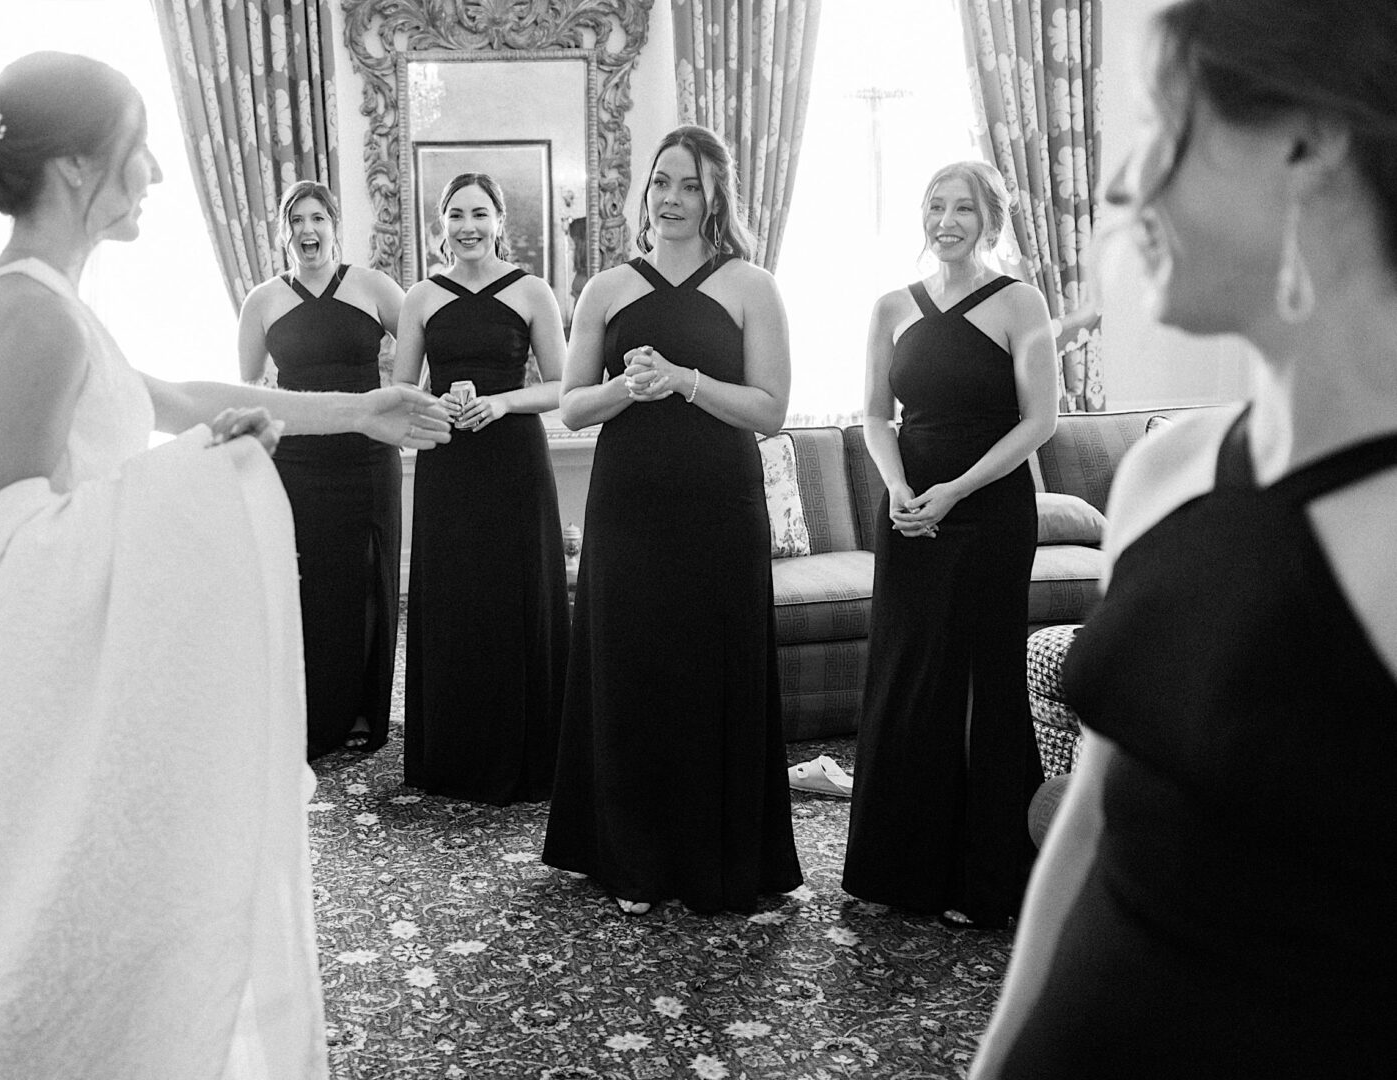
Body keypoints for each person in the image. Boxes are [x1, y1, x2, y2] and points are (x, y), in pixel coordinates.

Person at [0, 51, 449, 1079]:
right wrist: (194, 479)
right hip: (47, 697)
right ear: (83, 166)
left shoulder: (21, 298)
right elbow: (0, 541)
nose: (158, 177)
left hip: (41, 685)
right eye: (141, 150)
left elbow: (173, 392)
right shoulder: (35, 313)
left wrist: (360, 410)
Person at [973, 1, 1397, 1074]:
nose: (1121, 185)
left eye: (1167, 123)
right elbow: (1093, 828)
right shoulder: (1168, 473)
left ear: (1305, 141)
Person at [541, 125, 804, 916]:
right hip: (628, 509)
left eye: (689, 184)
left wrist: (686, 381)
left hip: (721, 509)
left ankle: (718, 857)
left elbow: (770, 410)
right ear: (643, 192)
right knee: (631, 674)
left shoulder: (751, 286)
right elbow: (572, 406)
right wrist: (632, 387)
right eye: (661, 182)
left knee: (713, 673)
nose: (672, 198)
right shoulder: (606, 289)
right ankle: (631, 860)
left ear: (715, 194)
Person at [841, 160, 1058, 930]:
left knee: (981, 680)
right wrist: (898, 491)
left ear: (990, 220)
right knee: (907, 677)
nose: (947, 220)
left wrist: (957, 491)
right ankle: (897, 868)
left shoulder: (1019, 302)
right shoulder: (891, 306)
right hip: (907, 511)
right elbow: (873, 414)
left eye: (964, 208)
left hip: (990, 511)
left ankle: (983, 875)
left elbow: (1040, 421)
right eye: (935, 206)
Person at [392, 172, 571, 805]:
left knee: (517, 599)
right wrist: (439, 402)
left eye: (480, 214)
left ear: (500, 221)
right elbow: (402, 394)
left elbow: (563, 388)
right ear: (442, 224)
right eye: (456, 215)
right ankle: (453, 757)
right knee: (454, 602)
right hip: (448, 465)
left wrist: (499, 402)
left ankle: (530, 759)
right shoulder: (420, 297)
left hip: (515, 462)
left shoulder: (532, 292)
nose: (468, 226)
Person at [240, 181, 406, 757]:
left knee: (368, 581)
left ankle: (364, 712)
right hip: (298, 461)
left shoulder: (374, 287)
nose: (307, 230)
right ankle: (310, 715)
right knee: (308, 584)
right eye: (296, 221)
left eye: (318, 218)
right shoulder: (262, 301)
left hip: (367, 456)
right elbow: (246, 390)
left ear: (335, 224)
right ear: (284, 233)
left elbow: (426, 349)